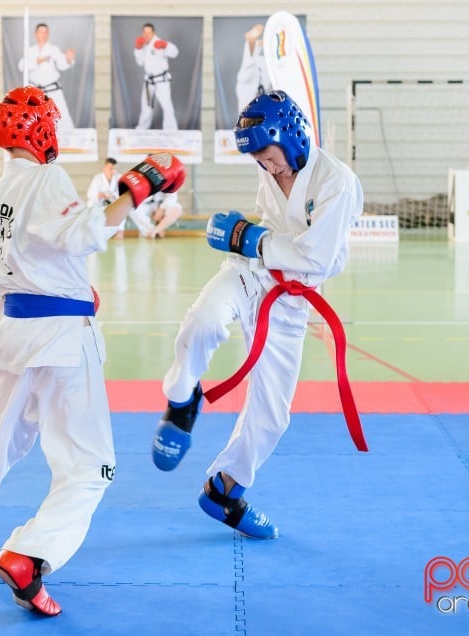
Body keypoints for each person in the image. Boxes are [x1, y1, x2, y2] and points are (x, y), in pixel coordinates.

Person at [0, 86, 185, 616]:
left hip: (13, 335)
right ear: (44, 132)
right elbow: (83, 233)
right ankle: (30, 555)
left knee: (1, 442)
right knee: (90, 466)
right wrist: (140, 187)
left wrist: (63, 287)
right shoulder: (46, 179)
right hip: (62, 341)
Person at [151, 91, 364, 540]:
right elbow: (268, 233)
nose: (267, 167)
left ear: (289, 136)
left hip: (292, 297)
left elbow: (318, 259)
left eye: (268, 156)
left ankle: (225, 490)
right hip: (252, 275)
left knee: (272, 417)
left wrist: (250, 238)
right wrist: (243, 242)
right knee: (205, 318)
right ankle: (182, 398)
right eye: (259, 160)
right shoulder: (271, 173)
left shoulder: (335, 183)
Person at [19, 23, 76, 133]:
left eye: (45, 32)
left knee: (62, 115)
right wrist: (37, 61)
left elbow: (62, 64)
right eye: (41, 32)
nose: (43, 35)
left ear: (48, 34)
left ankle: (71, 142)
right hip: (35, 91)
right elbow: (21, 66)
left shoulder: (53, 49)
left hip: (52, 89)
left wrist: (68, 59)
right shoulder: (30, 50)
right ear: (36, 34)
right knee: (31, 118)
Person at [133, 23, 179, 130]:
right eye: (144, 32)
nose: (147, 35)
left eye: (149, 32)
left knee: (167, 107)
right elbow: (140, 62)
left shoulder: (159, 43)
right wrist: (138, 49)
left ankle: (171, 131)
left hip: (161, 81)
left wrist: (166, 45)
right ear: (142, 33)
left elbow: (175, 53)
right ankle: (142, 130)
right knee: (146, 108)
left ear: (153, 33)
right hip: (149, 82)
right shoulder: (143, 45)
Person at [235, 23, 270, 117]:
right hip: (249, 85)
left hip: (257, 86)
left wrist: (268, 39)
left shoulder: (263, 60)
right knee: (249, 62)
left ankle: (251, 41)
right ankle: (250, 40)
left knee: (252, 60)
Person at [87, 158, 122, 236]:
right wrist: (98, 195)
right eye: (111, 168)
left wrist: (113, 195)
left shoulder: (119, 177)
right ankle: (91, 230)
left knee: (123, 207)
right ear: (105, 168)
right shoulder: (97, 178)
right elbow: (90, 194)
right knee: (90, 204)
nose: (113, 171)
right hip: (99, 204)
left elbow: (121, 193)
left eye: (114, 169)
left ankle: (119, 231)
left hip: (113, 204)